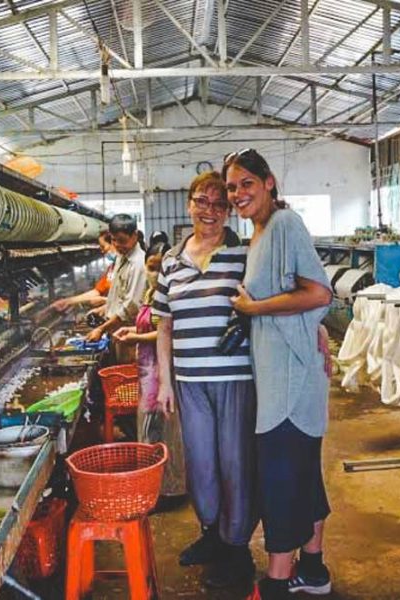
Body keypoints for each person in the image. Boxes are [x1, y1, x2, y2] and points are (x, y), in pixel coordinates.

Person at [223, 149, 333, 600]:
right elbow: (303, 300)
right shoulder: (259, 233)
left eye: (246, 183)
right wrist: (314, 328)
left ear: (269, 183)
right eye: (232, 187)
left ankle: (276, 584)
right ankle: (313, 570)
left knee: (281, 482)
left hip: (290, 380)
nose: (237, 194)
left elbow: (319, 291)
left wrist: (254, 309)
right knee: (303, 476)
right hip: (283, 374)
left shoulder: (285, 224)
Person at [153, 171, 257, 589]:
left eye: (219, 204)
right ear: (189, 203)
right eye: (202, 201)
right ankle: (212, 535)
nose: (209, 211)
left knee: (235, 463)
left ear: (229, 210)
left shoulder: (245, 254)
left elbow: (270, 303)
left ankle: (237, 548)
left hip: (235, 378)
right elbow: (164, 326)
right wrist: (165, 382)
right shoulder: (170, 262)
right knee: (200, 466)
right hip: (189, 380)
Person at [113, 241, 186, 500]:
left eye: (158, 268)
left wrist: (136, 339)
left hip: (160, 371)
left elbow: (166, 333)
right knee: (149, 430)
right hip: (147, 371)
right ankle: (152, 485)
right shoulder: (149, 294)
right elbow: (147, 327)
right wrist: (130, 331)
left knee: (161, 432)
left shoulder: (169, 297)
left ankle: (168, 489)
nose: (153, 273)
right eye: (150, 267)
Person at [84, 214, 146, 344]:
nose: (117, 245)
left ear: (134, 236)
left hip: (129, 334)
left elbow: (130, 307)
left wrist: (101, 329)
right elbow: (118, 295)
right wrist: (105, 308)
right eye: (113, 240)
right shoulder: (121, 257)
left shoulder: (138, 264)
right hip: (117, 330)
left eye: (122, 240)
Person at [52, 230, 115, 313]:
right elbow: (97, 291)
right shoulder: (112, 268)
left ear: (114, 244)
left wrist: (105, 301)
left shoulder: (131, 266)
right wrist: (68, 301)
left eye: (103, 247)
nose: (102, 251)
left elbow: (132, 301)